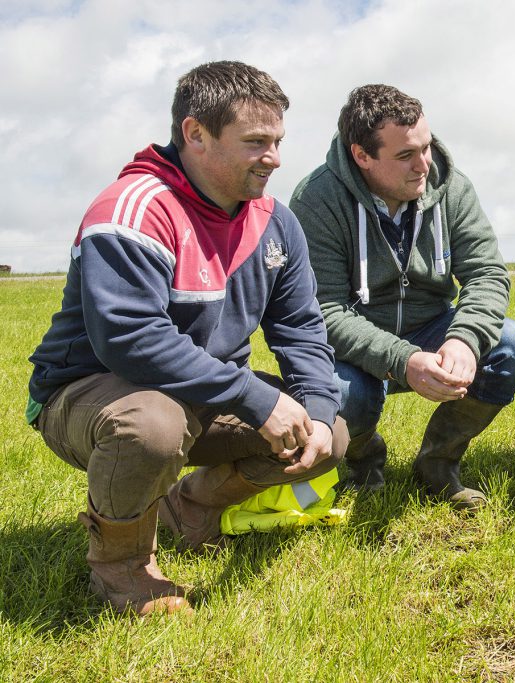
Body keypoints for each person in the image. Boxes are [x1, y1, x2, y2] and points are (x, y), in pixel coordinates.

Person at [26, 61, 347, 616]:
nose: (273, 157)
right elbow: (129, 338)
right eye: (255, 141)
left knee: (330, 434)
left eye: (277, 141)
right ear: (195, 133)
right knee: (152, 424)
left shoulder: (276, 222)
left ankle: (192, 507)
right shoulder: (133, 208)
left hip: (201, 394)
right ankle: (122, 569)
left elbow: (300, 328)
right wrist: (256, 397)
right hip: (86, 392)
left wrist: (316, 409)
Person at [290, 84, 515, 510]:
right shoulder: (317, 199)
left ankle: (437, 462)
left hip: (433, 327)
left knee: (510, 346)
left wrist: (464, 338)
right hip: (354, 344)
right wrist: (401, 359)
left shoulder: (451, 185)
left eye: (427, 146)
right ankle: (365, 460)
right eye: (405, 155)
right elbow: (323, 309)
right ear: (362, 156)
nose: (424, 165)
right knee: (341, 393)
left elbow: (486, 273)